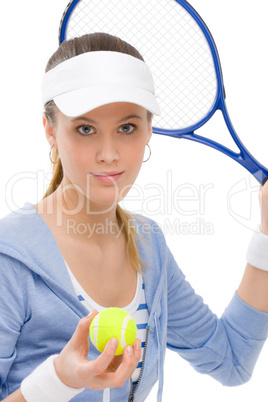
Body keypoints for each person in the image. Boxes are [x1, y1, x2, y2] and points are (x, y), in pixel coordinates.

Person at [1, 32, 268, 402]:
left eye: (127, 128)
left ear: (148, 130)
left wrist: (267, 238)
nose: (109, 153)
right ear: (50, 130)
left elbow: (231, 361)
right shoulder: (8, 257)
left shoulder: (148, 243)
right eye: (85, 128)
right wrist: (58, 379)